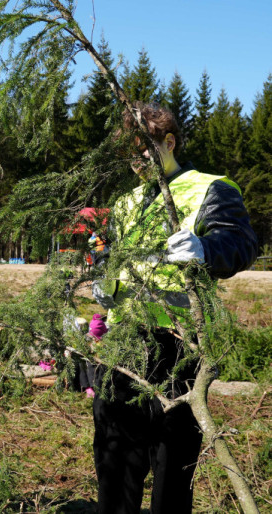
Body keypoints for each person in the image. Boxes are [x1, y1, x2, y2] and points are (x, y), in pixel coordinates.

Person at [91, 102, 258, 513]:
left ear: (169, 142)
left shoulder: (211, 187)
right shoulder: (127, 202)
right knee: (114, 469)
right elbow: (115, 260)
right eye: (130, 155)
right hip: (123, 349)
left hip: (177, 353)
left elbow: (242, 244)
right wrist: (105, 284)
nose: (138, 162)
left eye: (145, 150)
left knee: (170, 473)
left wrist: (206, 248)